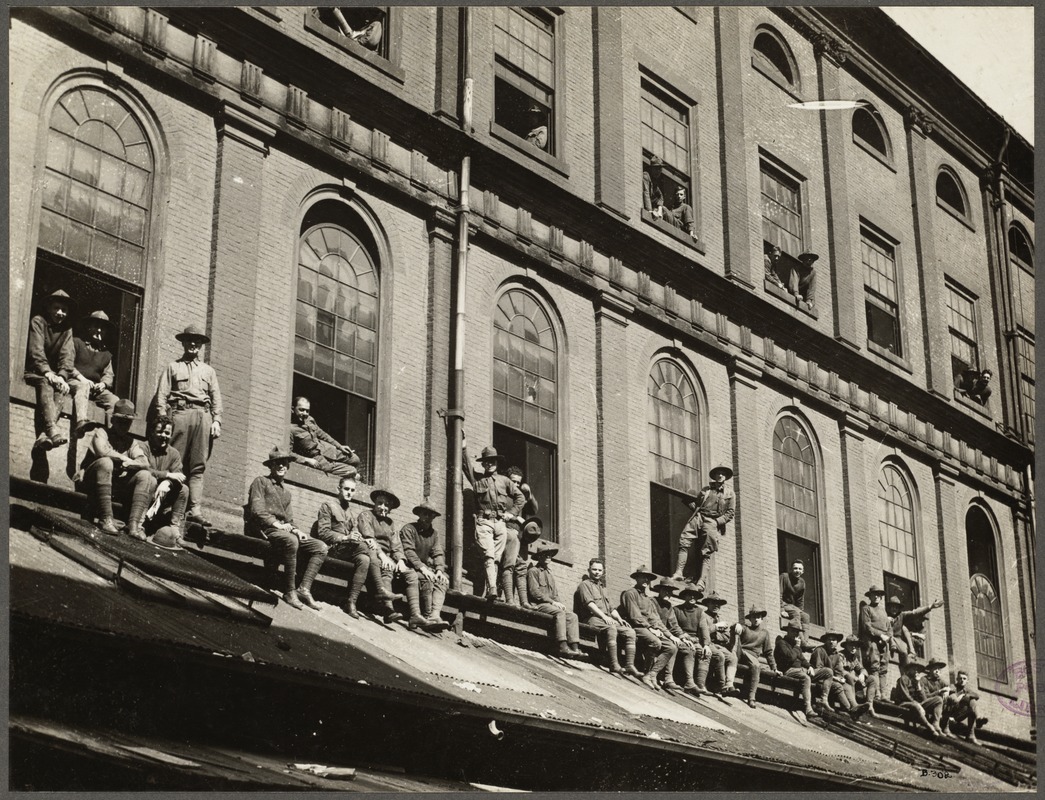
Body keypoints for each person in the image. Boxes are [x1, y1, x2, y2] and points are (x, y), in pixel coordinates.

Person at [154, 325, 222, 526]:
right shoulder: (173, 367)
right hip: (180, 414)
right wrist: (162, 419)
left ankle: (194, 510)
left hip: (203, 416)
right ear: (183, 343)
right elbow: (162, 395)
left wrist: (217, 420)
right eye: (189, 340)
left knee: (198, 465)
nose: (193, 344)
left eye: (197, 341)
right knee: (176, 461)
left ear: (201, 345)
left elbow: (216, 397)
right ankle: (168, 505)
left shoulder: (208, 371)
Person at [245, 447, 328, 610]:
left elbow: (290, 520)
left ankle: (304, 589)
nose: (281, 466)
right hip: (265, 529)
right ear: (271, 466)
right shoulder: (261, 482)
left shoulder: (286, 493)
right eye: (277, 463)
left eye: (284, 463)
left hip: (283, 530)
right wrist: (277, 524)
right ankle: (289, 592)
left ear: (288, 466)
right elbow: (257, 510)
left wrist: (297, 530)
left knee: (321, 547)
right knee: (291, 541)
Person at [461, 437, 525, 601]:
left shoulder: (505, 481)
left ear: (497, 462)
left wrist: (512, 513)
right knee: (489, 556)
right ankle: (493, 588)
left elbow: (520, 498)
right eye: (487, 462)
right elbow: (466, 466)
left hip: (501, 524)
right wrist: (463, 447)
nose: (490, 464)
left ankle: (492, 590)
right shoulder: (478, 480)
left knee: (496, 559)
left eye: (493, 461)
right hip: (484, 521)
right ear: (483, 464)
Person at [77, 399, 150, 538]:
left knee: (145, 475)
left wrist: (130, 464)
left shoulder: (131, 442)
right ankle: (106, 518)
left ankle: (134, 525)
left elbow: (144, 462)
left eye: (128, 422)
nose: (124, 426)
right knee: (106, 462)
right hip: (90, 482)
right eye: (120, 421)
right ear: (113, 420)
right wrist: (125, 459)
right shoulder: (101, 432)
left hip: (114, 486)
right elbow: (102, 451)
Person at [312, 475, 378, 619]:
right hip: (331, 549)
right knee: (369, 548)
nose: (349, 492)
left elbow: (354, 530)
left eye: (352, 490)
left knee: (365, 559)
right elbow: (322, 533)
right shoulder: (328, 506)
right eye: (346, 489)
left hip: (346, 551)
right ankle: (379, 589)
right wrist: (346, 537)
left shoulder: (351, 513)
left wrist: (357, 536)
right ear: (339, 489)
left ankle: (351, 601)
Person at [358, 489, 424, 627]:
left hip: (388, 557)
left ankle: (415, 615)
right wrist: (383, 557)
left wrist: (400, 560)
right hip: (372, 553)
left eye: (387, 505)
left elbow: (396, 545)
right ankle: (388, 611)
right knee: (386, 568)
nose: (383, 507)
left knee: (411, 574)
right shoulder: (366, 515)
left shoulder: (390, 523)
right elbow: (368, 538)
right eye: (380, 503)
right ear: (374, 503)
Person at [24, 289, 76, 451]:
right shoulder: (38, 322)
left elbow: (67, 356)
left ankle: (44, 436)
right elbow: (36, 351)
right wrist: (47, 372)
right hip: (35, 371)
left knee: (61, 389)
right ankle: (52, 429)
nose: (60, 313)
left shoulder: (67, 329)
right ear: (48, 308)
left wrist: (62, 376)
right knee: (46, 382)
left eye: (64, 310)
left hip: (53, 375)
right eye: (56, 308)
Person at [671, 464, 735, 592]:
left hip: (712, 521)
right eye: (718, 473)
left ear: (726, 477)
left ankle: (701, 581)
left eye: (722, 474)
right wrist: (687, 499)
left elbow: (730, 513)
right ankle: (678, 572)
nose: (720, 475)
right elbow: (697, 504)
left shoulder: (730, 494)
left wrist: (717, 522)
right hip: (699, 517)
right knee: (684, 540)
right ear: (715, 476)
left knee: (707, 551)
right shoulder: (706, 490)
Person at [575, 557, 639, 676]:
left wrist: (619, 619)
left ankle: (629, 665)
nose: (597, 572)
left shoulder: (603, 588)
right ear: (588, 570)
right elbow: (590, 605)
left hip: (605, 619)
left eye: (599, 570)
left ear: (603, 571)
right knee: (611, 628)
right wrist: (605, 618)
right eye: (594, 569)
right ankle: (614, 664)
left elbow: (611, 609)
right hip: (591, 618)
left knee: (630, 632)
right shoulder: (584, 585)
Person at [618, 566, 678, 691]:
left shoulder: (647, 599)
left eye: (648, 578)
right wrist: (651, 628)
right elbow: (635, 616)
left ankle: (652, 674)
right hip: (635, 627)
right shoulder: (630, 593)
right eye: (643, 577)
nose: (646, 580)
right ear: (636, 578)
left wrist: (670, 635)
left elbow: (656, 619)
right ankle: (646, 673)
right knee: (655, 642)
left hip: (647, 628)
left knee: (671, 647)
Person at [400, 500, 451, 632]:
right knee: (426, 578)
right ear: (419, 515)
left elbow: (438, 553)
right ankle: (426, 617)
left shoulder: (434, 534)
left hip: (423, 569)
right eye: (425, 514)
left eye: (431, 515)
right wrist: (422, 567)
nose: (428, 518)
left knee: (443, 580)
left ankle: (434, 615)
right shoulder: (409, 529)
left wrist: (439, 570)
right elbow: (408, 551)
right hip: (408, 567)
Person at [528, 539, 584, 659]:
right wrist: (553, 603)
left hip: (550, 605)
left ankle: (575, 648)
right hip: (539, 605)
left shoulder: (549, 574)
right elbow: (535, 593)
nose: (548, 557)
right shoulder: (534, 571)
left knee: (572, 616)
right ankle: (562, 646)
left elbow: (555, 594)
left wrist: (559, 603)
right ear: (539, 557)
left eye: (550, 555)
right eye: (545, 554)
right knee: (560, 613)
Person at [69, 310, 119, 438]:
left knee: (114, 401)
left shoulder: (107, 354)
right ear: (89, 327)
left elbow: (109, 375)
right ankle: (81, 423)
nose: (99, 330)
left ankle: (110, 436)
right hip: (75, 382)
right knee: (83, 387)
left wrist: (103, 384)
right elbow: (67, 364)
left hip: (95, 388)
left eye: (103, 328)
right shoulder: (76, 342)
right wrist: (82, 379)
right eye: (96, 326)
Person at [141, 414, 188, 543]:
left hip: (162, 496)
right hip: (142, 493)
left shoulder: (174, 453)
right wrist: (167, 475)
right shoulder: (143, 447)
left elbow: (179, 475)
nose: (163, 436)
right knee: (150, 480)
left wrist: (167, 482)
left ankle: (175, 528)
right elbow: (143, 469)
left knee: (184, 489)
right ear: (152, 432)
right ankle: (140, 524)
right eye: (159, 432)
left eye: (167, 433)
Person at [289, 396, 361, 477]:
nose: (305, 413)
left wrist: (340, 446)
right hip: (316, 458)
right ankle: (351, 475)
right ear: (292, 409)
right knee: (352, 471)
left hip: (326, 449)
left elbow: (323, 435)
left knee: (355, 459)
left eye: (307, 411)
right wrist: (306, 460)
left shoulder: (309, 420)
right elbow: (289, 453)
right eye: (301, 410)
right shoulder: (291, 429)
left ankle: (349, 474)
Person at [500, 465, 540, 607]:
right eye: (513, 481)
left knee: (521, 567)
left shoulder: (520, 496)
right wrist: (516, 518)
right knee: (508, 564)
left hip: (519, 537)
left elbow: (533, 509)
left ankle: (523, 601)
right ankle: (509, 599)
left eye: (518, 482)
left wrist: (529, 494)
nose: (515, 485)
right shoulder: (504, 495)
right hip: (506, 533)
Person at [809, 631, 868, 717]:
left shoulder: (835, 654)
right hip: (818, 678)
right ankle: (849, 709)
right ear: (825, 640)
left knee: (846, 686)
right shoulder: (819, 650)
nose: (831, 642)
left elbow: (839, 671)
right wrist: (837, 679)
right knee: (838, 686)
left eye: (834, 640)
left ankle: (855, 706)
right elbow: (819, 669)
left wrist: (840, 678)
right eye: (829, 639)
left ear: (837, 642)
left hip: (830, 679)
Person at [672, 588, 714, 695]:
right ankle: (689, 683)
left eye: (694, 596)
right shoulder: (676, 610)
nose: (692, 598)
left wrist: (706, 645)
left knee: (704, 653)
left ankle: (700, 684)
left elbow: (704, 629)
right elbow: (674, 626)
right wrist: (682, 636)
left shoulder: (700, 612)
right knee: (690, 650)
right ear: (684, 597)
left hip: (695, 640)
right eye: (689, 595)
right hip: (681, 638)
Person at [650, 579, 689, 690]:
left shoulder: (668, 606)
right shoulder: (652, 601)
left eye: (670, 591)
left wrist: (681, 637)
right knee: (672, 645)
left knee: (680, 645)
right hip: (652, 630)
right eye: (665, 590)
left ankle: (668, 679)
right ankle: (661, 676)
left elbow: (674, 624)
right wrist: (670, 636)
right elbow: (655, 621)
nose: (668, 594)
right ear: (659, 590)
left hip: (663, 634)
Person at [774, 620, 818, 718]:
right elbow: (791, 657)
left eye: (797, 632)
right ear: (788, 631)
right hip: (788, 670)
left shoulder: (795, 645)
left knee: (819, 674)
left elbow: (802, 659)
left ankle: (819, 705)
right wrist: (797, 647)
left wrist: (810, 666)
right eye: (793, 631)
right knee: (806, 678)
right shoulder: (782, 643)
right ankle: (808, 708)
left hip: (800, 670)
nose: (795, 634)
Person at [890, 657, 943, 737]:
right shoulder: (904, 678)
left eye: (918, 670)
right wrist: (916, 703)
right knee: (916, 705)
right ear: (909, 670)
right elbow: (905, 695)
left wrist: (918, 685)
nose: (916, 671)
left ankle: (936, 723)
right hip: (904, 703)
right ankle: (929, 726)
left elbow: (924, 699)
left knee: (938, 699)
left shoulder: (918, 681)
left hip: (918, 705)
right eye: (914, 669)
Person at [736, 605, 777, 708]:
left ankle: (751, 697)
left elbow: (768, 652)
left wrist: (774, 668)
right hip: (742, 653)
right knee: (756, 665)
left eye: (758, 617)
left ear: (762, 619)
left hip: (753, 657)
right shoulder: (745, 628)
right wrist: (736, 625)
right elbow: (734, 629)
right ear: (750, 619)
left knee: (756, 666)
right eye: (753, 617)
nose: (756, 619)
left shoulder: (764, 633)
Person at [857, 585, 891, 712]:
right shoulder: (866, 609)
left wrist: (887, 637)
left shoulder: (883, 611)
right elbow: (867, 626)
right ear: (870, 596)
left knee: (883, 668)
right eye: (874, 594)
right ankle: (876, 694)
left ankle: (884, 695)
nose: (877, 596)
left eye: (879, 595)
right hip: (873, 642)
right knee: (874, 667)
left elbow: (889, 627)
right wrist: (880, 635)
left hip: (884, 642)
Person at [886, 595, 944, 667]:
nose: (894, 609)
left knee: (904, 652)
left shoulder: (902, 615)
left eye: (896, 607)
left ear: (899, 609)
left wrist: (930, 606)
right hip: (887, 638)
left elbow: (915, 612)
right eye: (892, 607)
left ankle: (906, 670)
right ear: (889, 608)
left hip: (897, 639)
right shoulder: (884, 615)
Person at [703, 592, 741, 696]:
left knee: (733, 658)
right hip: (707, 643)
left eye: (718, 604)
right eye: (713, 603)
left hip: (719, 645)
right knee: (720, 657)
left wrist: (733, 630)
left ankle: (729, 685)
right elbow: (703, 632)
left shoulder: (720, 618)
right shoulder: (703, 616)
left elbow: (726, 637)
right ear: (707, 604)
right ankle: (721, 686)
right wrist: (715, 627)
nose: (716, 606)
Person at [941, 669, 986, 743]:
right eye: (960, 678)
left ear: (967, 681)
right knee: (950, 699)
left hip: (959, 714)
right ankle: (946, 728)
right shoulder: (953, 686)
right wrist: (961, 696)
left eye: (964, 679)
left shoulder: (967, 690)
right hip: (949, 712)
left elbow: (977, 696)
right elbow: (951, 695)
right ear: (957, 679)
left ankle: (971, 733)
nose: (962, 680)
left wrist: (966, 695)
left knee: (972, 701)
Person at [779, 560, 811, 646]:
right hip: (784, 603)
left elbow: (800, 600)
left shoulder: (802, 582)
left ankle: (805, 642)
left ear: (803, 571)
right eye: (795, 568)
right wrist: (782, 609)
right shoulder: (784, 577)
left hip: (792, 606)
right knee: (796, 613)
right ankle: (802, 642)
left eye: (800, 569)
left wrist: (801, 612)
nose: (797, 571)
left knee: (806, 616)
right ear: (791, 569)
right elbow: (779, 594)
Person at [840, 635, 873, 716]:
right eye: (851, 645)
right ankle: (854, 707)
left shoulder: (854, 658)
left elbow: (862, 668)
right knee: (850, 677)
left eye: (856, 645)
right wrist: (855, 678)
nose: (854, 647)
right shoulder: (841, 655)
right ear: (846, 646)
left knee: (872, 679)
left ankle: (870, 706)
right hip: (843, 681)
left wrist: (862, 674)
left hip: (853, 682)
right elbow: (840, 671)